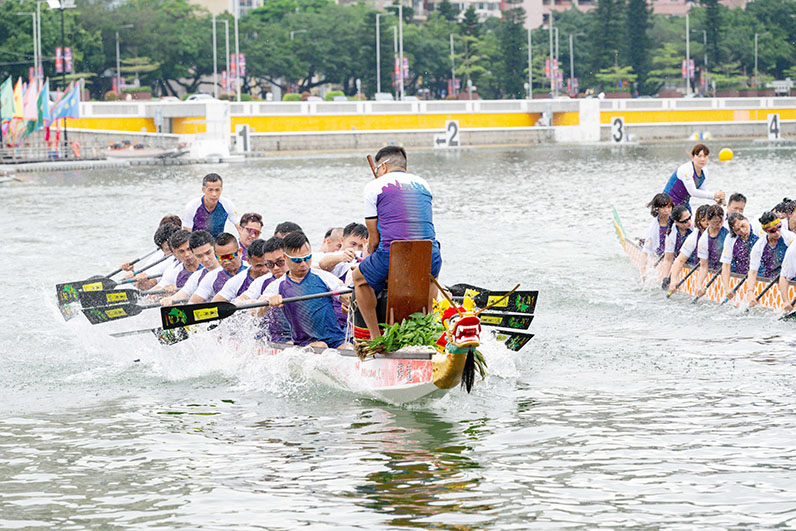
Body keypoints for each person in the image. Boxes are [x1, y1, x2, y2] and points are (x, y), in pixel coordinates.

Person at [352, 146, 442, 339]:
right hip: (430, 255)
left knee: (358, 279)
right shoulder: (424, 184)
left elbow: (374, 239)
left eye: (377, 169)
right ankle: (426, 329)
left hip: (393, 256)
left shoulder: (373, 186)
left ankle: (376, 338)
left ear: (383, 167)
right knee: (431, 276)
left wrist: (368, 257)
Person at [264, 231, 349, 348]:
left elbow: (346, 295)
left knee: (349, 348)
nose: (304, 264)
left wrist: (349, 301)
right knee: (320, 345)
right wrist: (268, 302)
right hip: (305, 344)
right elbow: (257, 311)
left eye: (307, 258)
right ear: (285, 257)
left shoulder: (324, 277)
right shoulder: (277, 285)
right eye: (297, 260)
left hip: (336, 339)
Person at [237, 236, 293, 342]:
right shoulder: (262, 282)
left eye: (280, 262)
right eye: (270, 264)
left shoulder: (306, 273)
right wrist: (256, 304)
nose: (276, 268)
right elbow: (239, 302)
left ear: (287, 257)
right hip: (277, 338)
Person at [747, 212, 795, 308]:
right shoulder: (759, 246)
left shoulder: (791, 238)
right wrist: (750, 292)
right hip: (771, 278)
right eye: (772, 230)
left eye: (779, 227)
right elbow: (753, 271)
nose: (777, 232)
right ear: (765, 230)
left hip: (790, 277)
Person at [160, 230, 219, 306]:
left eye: (208, 253)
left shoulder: (231, 265)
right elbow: (184, 293)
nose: (205, 259)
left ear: (215, 248)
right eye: (199, 256)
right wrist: (171, 299)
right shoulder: (196, 277)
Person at [662, 143, 725, 211]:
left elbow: (702, 190)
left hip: (684, 203)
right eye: (699, 156)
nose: (702, 159)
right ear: (692, 157)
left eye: (705, 156)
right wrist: (714, 195)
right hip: (668, 203)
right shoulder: (686, 169)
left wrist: (714, 198)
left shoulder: (705, 171)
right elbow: (693, 192)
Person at [189, 232, 247, 303]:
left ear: (240, 252)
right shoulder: (211, 277)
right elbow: (193, 302)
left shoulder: (252, 270)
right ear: (216, 256)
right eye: (222, 258)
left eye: (230, 256)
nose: (227, 262)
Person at [182, 173, 242, 238]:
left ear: (221, 189)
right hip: (197, 243)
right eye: (210, 190)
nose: (214, 194)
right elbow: (187, 236)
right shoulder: (191, 207)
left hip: (218, 243)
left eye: (217, 190)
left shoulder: (227, 205)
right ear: (203, 190)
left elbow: (241, 228)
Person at [666, 205, 710, 293]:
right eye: (704, 221)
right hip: (694, 262)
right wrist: (673, 280)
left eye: (689, 218)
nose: (689, 222)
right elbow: (676, 260)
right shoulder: (692, 236)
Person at [126, 222, 180, 291]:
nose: (174, 252)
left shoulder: (175, 259)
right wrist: (132, 273)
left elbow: (148, 285)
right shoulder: (160, 255)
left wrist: (135, 280)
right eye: (168, 249)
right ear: (162, 249)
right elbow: (146, 284)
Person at [719, 213, 759, 300]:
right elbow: (726, 265)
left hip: (759, 275)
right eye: (738, 230)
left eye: (743, 225)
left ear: (747, 220)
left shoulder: (758, 230)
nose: (743, 231)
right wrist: (727, 288)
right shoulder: (730, 238)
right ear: (734, 231)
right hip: (741, 275)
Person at [694, 204, 728, 298]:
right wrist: (699, 285)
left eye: (720, 222)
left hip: (729, 268)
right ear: (708, 221)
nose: (718, 225)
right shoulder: (703, 240)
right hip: (715, 269)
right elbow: (703, 266)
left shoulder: (728, 231)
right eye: (715, 222)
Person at [152, 229, 200, 294]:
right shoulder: (173, 271)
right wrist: (164, 291)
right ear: (175, 253)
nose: (187, 254)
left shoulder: (208, 263)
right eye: (181, 251)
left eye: (189, 249)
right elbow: (152, 295)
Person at [641, 193, 673, 274]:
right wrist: (643, 271)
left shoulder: (676, 221)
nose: (667, 210)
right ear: (657, 209)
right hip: (660, 254)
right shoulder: (653, 227)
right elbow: (646, 251)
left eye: (669, 207)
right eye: (663, 207)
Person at [661, 205, 692, 285]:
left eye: (689, 218)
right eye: (685, 221)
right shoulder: (671, 234)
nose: (689, 222)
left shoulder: (694, 227)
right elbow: (668, 259)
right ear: (676, 222)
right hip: (679, 259)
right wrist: (665, 277)